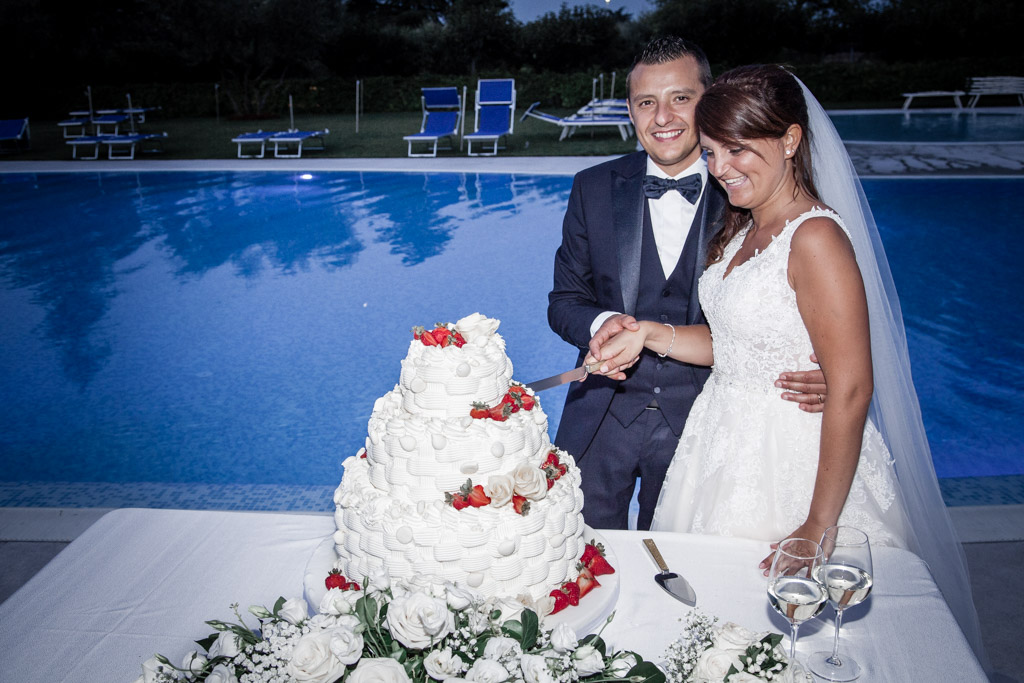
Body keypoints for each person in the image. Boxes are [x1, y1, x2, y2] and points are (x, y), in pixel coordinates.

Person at [588, 63, 989, 668]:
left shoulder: (816, 238)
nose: (721, 169)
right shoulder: (745, 225)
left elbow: (851, 387)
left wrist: (818, 526)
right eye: (714, 152)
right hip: (718, 447)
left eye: (739, 150)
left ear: (792, 140)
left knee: (800, 644)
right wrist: (650, 333)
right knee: (717, 637)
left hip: (790, 461)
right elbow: (740, 346)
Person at [547, 37, 826, 532]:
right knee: (578, 558)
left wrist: (825, 370)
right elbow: (564, 301)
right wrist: (605, 322)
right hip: (602, 415)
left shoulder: (748, 188)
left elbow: (795, 294)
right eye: (645, 103)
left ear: (710, 99)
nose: (662, 118)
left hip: (704, 422)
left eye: (680, 98)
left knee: (682, 573)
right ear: (630, 110)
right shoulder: (591, 186)